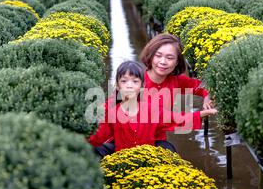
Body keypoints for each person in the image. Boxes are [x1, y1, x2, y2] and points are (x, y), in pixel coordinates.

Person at [88, 61, 217, 158]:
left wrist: (201, 114)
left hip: (149, 159)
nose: (129, 85)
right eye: (124, 81)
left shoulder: (151, 109)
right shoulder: (112, 112)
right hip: (122, 160)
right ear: (117, 85)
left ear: (142, 85)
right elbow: (98, 137)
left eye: (135, 81)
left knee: (169, 151)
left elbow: (176, 119)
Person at [140, 33, 216, 142]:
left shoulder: (176, 80)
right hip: (129, 140)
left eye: (169, 58)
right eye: (158, 55)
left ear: (177, 62)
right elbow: (160, 119)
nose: (163, 62)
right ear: (151, 56)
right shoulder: (135, 82)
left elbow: (201, 86)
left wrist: (207, 95)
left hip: (158, 141)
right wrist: (199, 115)